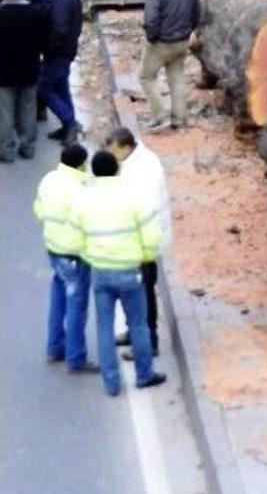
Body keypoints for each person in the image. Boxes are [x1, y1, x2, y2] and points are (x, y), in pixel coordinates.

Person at [70, 150, 166, 396]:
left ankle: (111, 383)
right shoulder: (133, 196)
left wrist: (90, 256)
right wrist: (145, 257)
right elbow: (151, 231)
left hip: (101, 272)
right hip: (129, 270)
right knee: (138, 324)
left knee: (104, 327)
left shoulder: (84, 199)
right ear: (117, 169)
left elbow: (75, 238)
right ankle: (144, 374)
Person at [105, 126, 171, 357]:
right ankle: (135, 334)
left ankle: (148, 343)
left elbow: (143, 209)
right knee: (133, 293)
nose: (112, 156)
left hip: (143, 242)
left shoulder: (143, 170)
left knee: (143, 295)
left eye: (114, 151)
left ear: (125, 147)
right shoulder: (133, 162)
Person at [33, 143, 98, 372]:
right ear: (82, 163)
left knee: (58, 298)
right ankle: (76, 357)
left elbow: (39, 210)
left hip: (54, 249)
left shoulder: (49, 179)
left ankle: (54, 347)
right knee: (76, 306)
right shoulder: (81, 188)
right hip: (75, 254)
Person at [139, 0, 200, 131]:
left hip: (161, 42)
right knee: (177, 79)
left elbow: (151, 17)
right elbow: (196, 10)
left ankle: (159, 116)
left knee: (146, 77)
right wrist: (190, 31)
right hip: (182, 41)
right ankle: (179, 120)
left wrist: (151, 37)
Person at [0, 0, 49, 161]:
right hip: (30, 70)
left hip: (4, 73)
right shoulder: (36, 14)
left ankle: (6, 150)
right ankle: (28, 147)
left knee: (5, 113)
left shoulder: (2, 14)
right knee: (28, 110)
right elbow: (44, 42)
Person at [38, 0, 83, 146]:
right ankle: (67, 126)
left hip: (58, 53)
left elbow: (60, 29)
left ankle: (70, 123)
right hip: (66, 51)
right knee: (61, 87)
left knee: (44, 88)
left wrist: (47, 47)